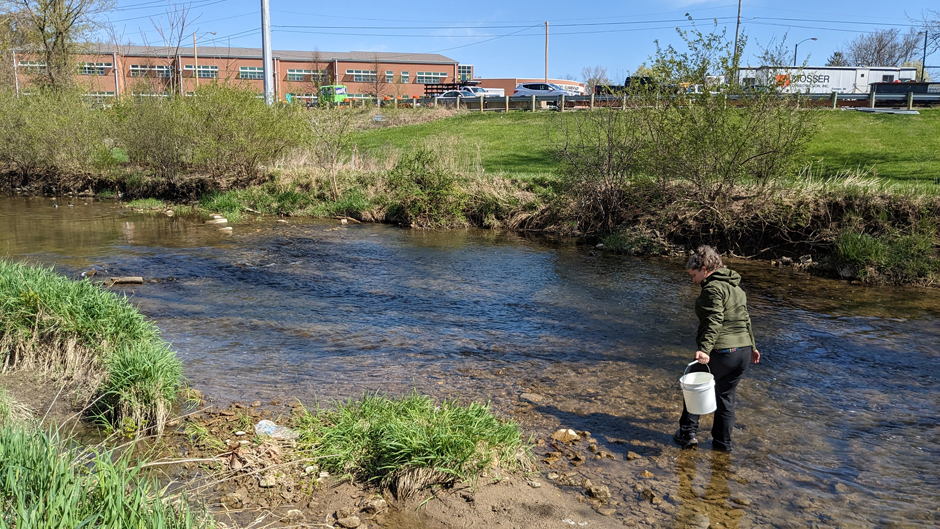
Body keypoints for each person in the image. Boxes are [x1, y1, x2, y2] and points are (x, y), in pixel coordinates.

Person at [674, 245, 760, 452]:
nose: (693, 280)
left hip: (723, 352)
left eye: (694, 275)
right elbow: (745, 318)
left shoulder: (712, 288)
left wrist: (704, 349)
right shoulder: (737, 289)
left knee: (692, 386)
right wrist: (753, 347)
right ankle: (722, 445)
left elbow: (714, 320)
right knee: (726, 397)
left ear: (704, 269)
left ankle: (687, 435)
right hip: (743, 352)